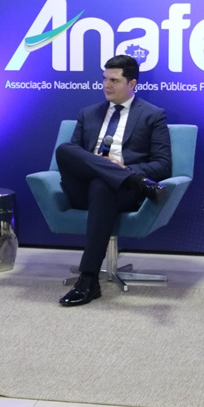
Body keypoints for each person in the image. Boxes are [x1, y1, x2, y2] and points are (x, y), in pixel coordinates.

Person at [55, 54, 172, 307]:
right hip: (82, 188)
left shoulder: (152, 115)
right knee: (64, 149)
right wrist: (109, 168)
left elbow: (163, 164)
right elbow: (74, 158)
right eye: (105, 79)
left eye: (114, 80)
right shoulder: (88, 114)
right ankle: (134, 180)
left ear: (132, 84)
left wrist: (124, 167)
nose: (106, 85)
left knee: (103, 185)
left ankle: (88, 279)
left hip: (120, 194)